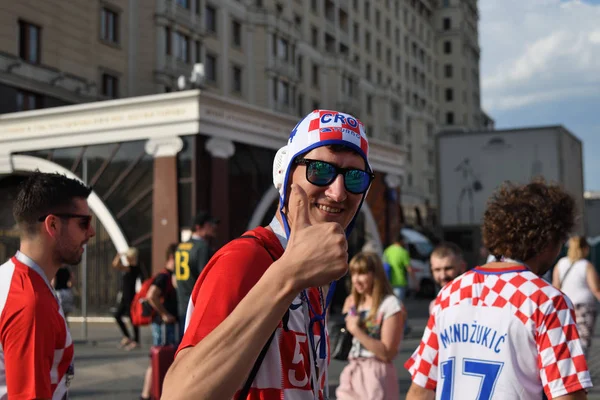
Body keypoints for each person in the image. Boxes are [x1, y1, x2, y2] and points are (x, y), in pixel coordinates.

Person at [162, 109, 375, 399]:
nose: (338, 193)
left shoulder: (312, 277)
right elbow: (180, 395)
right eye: (321, 171)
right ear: (285, 175)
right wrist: (287, 275)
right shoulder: (246, 258)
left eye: (354, 177)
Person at [405, 179, 592, 400]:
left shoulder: (449, 294)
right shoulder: (546, 300)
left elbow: (422, 388)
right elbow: (567, 395)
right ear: (549, 239)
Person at [0, 171, 95, 399]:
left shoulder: (15, 279)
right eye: (84, 223)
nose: (91, 232)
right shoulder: (29, 301)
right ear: (52, 224)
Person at [336, 252, 406, 400]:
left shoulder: (390, 304)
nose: (356, 280)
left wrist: (356, 330)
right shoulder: (353, 302)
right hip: (352, 370)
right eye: (353, 274)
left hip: (376, 373)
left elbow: (387, 353)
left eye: (362, 274)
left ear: (375, 275)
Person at [140, 243, 179, 400]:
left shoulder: (170, 276)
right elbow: (151, 295)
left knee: (158, 359)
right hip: (163, 325)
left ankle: (147, 394)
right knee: (159, 358)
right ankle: (149, 394)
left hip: (165, 324)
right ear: (172, 257)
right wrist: (165, 314)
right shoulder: (163, 276)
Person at [553, 236, 600, 357]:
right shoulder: (586, 265)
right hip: (585, 308)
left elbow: (555, 287)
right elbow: (596, 289)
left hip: (565, 306)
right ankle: (580, 369)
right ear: (584, 249)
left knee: (567, 340)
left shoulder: (560, 263)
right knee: (583, 341)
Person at [174, 211, 218, 339]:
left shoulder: (181, 246)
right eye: (210, 224)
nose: (214, 227)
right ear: (199, 227)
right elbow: (206, 278)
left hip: (182, 303)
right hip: (197, 305)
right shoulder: (202, 247)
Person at [112, 247, 143, 351]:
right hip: (124, 297)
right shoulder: (129, 267)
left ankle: (136, 341)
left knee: (132, 319)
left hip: (131, 297)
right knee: (117, 315)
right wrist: (120, 255)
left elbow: (116, 265)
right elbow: (115, 264)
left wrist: (120, 256)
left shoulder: (134, 268)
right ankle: (127, 337)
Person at [428, 242, 466, 314]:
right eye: (437, 270)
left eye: (448, 269)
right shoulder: (434, 305)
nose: (443, 276)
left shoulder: (475, 301)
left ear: (462, 267)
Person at [383, 234, 416, 302]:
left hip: (389, 281)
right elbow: (409, 268)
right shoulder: (403, 252)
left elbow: (383, 265)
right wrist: (415, 282)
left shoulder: (387, 250)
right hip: (400, 282)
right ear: (401, 241)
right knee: (399, 305)